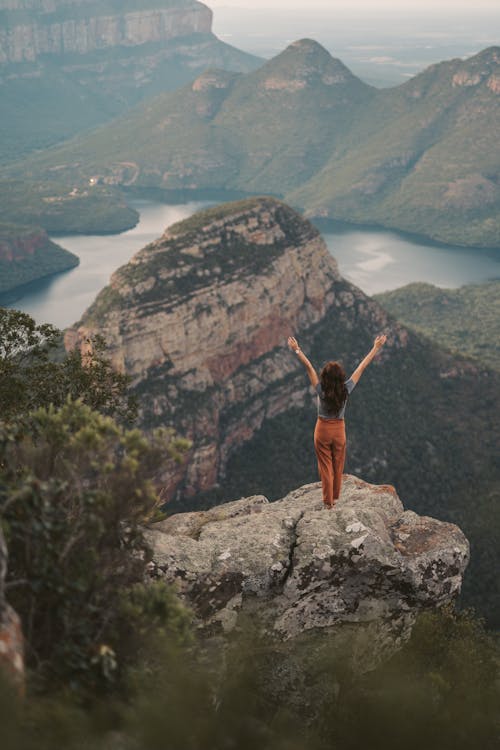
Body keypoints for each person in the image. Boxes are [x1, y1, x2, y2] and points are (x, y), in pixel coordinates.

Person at [287, 334, 387, 509]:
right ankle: (336, 495)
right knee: (338, 463)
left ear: (325, 377)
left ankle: (328, 502)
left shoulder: (321, 390)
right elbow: (362, 367)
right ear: (341, 377)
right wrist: (376, 347)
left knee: (325, 466)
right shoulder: (346, 389)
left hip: (322, 430)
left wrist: (297, 349)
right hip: (339, 430)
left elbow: (309, 367)